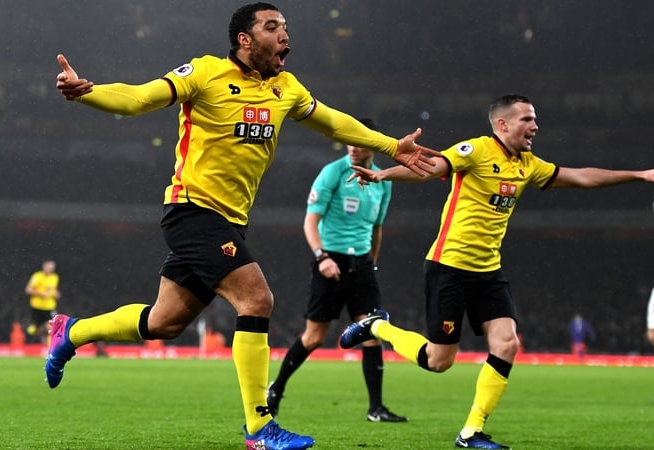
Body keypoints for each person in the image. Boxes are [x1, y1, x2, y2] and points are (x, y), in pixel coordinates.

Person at [48, 3, 439, 449]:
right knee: (257, 298)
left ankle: (70, 331)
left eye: (286, 27)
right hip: (192, 210)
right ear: (245, 40)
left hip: (231, 222)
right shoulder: (206, 73)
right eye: (272, 27)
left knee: (164, 322)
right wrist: (88, 92)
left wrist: (392, 147)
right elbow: (139, 98)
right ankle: (259, 427)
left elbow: (334, 120)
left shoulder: (285, 87)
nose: (284, 35)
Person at [340, 94, 654, 449]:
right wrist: (383, 174)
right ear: (502, 124)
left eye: (534, 120)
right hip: (450, 267)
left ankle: (471, 431)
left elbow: (580, 176)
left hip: (489, 271)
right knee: (439, 361)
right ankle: (376, 325)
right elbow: (430, 167)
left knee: (507, 343)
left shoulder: (528, 164)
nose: (534, 126)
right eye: (526, 120)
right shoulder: (474, 151)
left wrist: (640, 175)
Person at [267, 117, 406, 423]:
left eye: (361, 141)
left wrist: (372, 261)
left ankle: (376, 408)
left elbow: (377, 228)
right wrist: (321, 258)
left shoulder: (383, 181)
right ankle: (275, 390)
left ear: (374, 143)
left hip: (362, 266)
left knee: (372, 334)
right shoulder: (332, 173)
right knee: (314, 337)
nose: (354, 147)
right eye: (350, 140)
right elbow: (310, 222)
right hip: (330, 261)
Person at [25, 260, 61, 343]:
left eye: (52, 268)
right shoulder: (37, 276)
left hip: (50, 307)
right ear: (44, 266)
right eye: (49, 267)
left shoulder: (55, 277)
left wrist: (56, 293)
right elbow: (28, 290)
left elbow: (52, 289)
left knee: (51, 328)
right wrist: (41, 294)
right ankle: (36, 328)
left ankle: (51, 351)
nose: (51, 269)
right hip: (37, 307)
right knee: (36, 330)